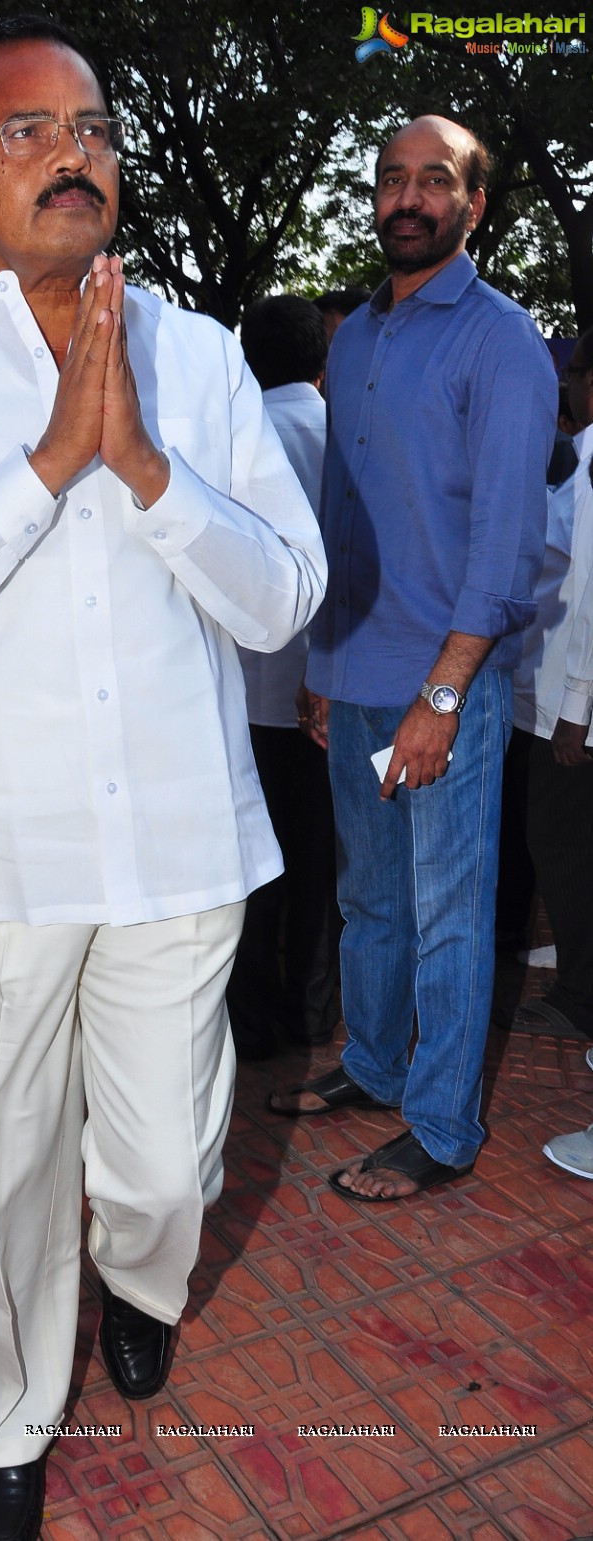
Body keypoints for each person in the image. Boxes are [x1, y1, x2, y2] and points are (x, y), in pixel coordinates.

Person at [0, 17, 326, 1539]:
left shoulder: (200, 356)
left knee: (161, 1167)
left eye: (87, 127)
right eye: (21, 133)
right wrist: (36, 471)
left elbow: (283, 596)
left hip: (175, 846)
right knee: (4, 1169)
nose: (67, 153)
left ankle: (143, 1280)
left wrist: (144, 469)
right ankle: (9, 1423)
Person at [269, 117, 558, 1204]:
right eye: (392, 177)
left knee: (449, 910)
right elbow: (343, 515)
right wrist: (321, 660)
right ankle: (377, 1062)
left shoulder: (502, 341)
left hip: (449, 687)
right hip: (358, 674)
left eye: (434, 180)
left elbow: (505, 545)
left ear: (474, 205)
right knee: (371, 898)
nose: (408, 196)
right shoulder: (355, 338)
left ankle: (439, 1122)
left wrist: (442, 694)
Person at [227, 295, 341, 1059]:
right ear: (321, 361)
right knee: (319, 863)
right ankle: (312, 1014)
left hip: (240, 692)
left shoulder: (228, 438)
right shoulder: (347, 436)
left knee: (247, 864)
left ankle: (250, 1020)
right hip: (331, 687)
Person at [512, 328, 593, 1046]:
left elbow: (587, 589)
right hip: (567, 694)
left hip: (571, 704)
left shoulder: (590, 462)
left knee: (561, 843)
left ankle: (579, 991)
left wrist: (574, 706)